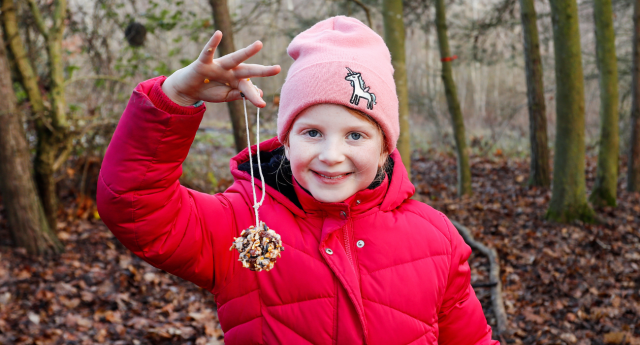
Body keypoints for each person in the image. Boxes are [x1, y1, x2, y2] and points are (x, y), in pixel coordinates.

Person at [97, 16, 498, 344]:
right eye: (312, 133)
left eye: (355, 135)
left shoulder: (437, 239)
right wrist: (177, 96)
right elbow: (136, 204)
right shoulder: (241, 225)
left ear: (384, 148)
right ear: (285, 141)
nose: (330, 154)